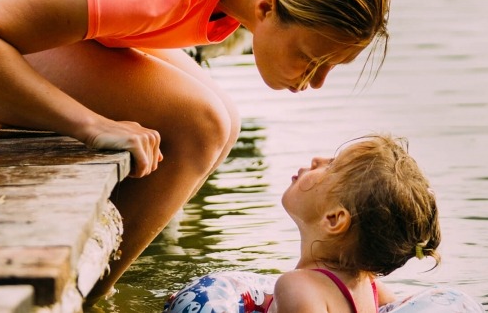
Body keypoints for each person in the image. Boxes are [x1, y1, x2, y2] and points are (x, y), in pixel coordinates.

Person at [0, 0, 390, 300]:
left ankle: (104, 289)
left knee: (223, 119)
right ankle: (84, 296)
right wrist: (89, 124)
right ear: (266, 7)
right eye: (312, 59)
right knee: (198, 125)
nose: (315, 82)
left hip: (18, 30)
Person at [164, 134, 442, 313]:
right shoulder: (370, 289)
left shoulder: (296, 287)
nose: (317, 160)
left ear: (334, 219)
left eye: (331, 167)